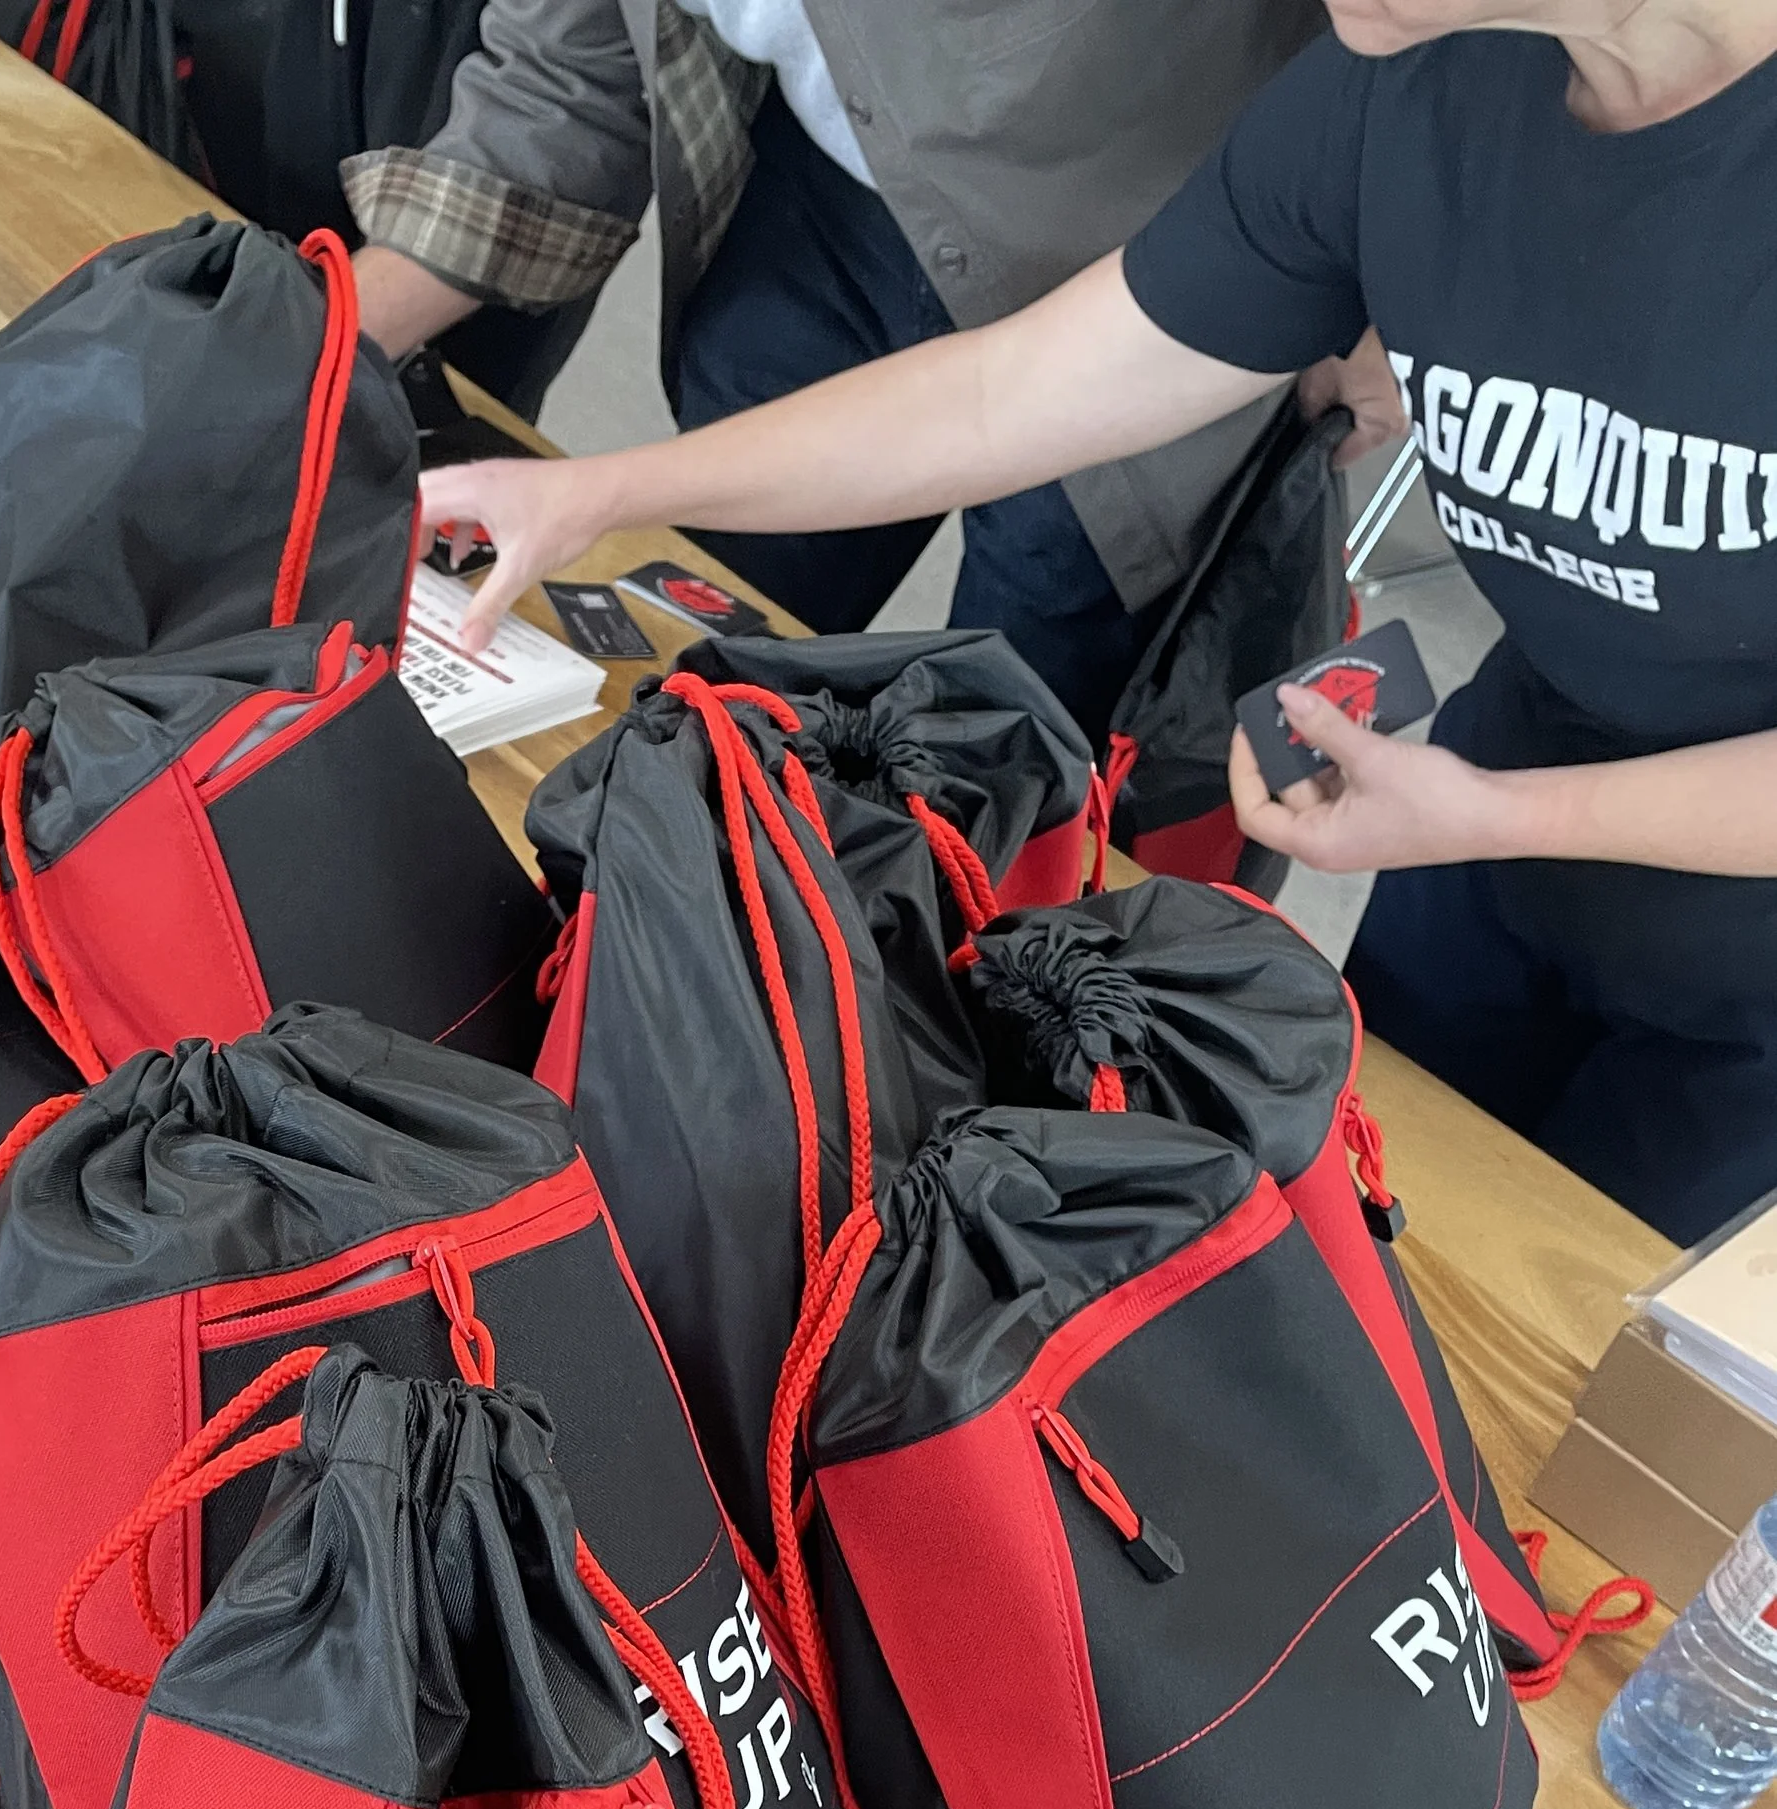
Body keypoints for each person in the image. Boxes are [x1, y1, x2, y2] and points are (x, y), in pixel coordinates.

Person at [419, 0, 1777, 1247]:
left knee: (1583, 1384)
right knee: (1375, 1253)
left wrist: (1495, 815)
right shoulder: (1403, 92)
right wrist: (603, 490)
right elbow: (1017, 394)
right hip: (1494, 817)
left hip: (1721, 949)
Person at [346, 0, 1392, 738]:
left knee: (1014, 750)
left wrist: (1386, 274)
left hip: (1156, 272)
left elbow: (1010, 400)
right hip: (828, 201)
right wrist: (308, 353)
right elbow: (557, 85)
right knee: (694, 653)